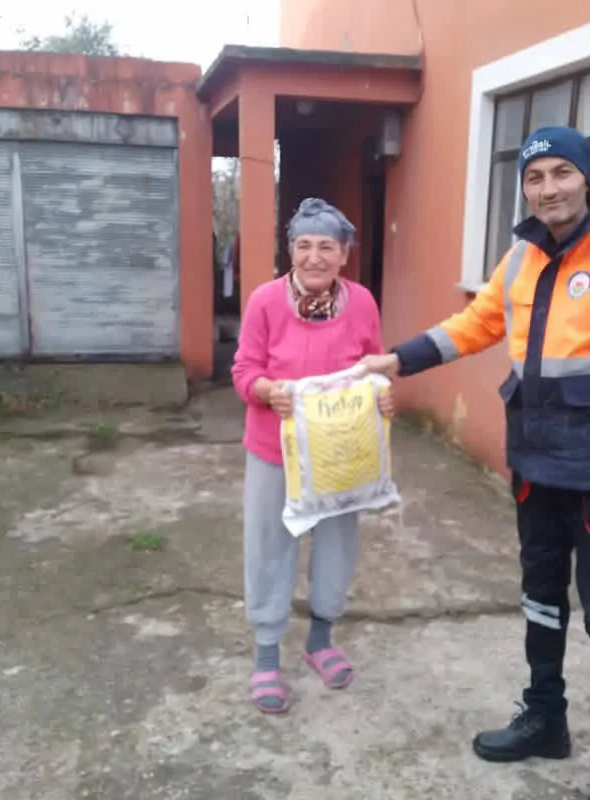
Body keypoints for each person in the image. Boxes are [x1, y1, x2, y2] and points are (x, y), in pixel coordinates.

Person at [357, 126, 590, 800]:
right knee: (540, 600)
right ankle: (545, 719)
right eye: (535, 177)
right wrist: (399, 358)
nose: (549, 188)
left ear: (586, 176)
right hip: (537, 466)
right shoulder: (522, 257)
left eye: (562, 172)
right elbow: (477, 323)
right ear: (524, 187)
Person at [232, 197, 394, 714]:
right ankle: (266, 653)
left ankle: (320, 640)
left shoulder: (362, 303)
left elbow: (374, 366)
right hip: (273, 449)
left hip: (340, 453)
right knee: (269, 546)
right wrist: (265, 391)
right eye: (304, 246)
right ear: (291, 250)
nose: (314, 257)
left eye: (326, 247)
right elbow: (244, 369)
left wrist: (384, 395)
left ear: (344, 254)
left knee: (337, 546)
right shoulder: (264, 301)